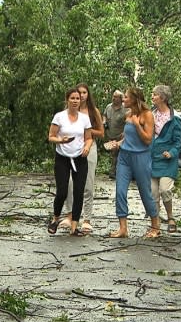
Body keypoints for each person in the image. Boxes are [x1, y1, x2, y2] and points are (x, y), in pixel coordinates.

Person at [106, 87, 161, 238]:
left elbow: (148, 139)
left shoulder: (147, 115)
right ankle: (123, 228)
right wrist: (119, 143)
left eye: (126, 98)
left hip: (141, 157)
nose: (123, 100)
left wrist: (137, 125)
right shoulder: (129, 114)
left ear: (135, 99)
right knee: (120, 191)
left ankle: (155, 226)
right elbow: (128, 137)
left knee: (145, 192)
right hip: (124, 157)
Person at [59, 83, 104, 234]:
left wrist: (87, 131)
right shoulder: (69, 112)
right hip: (71, 150)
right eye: (79, 93)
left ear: (88, 95)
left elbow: (101, 132)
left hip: (88, 148)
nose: (82, 96)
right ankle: (70, 214)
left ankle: (87, 219)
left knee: (88, 184)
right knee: (70, 183)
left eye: (85, 93)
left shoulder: (93, 111)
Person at [47, 88, 93, 236]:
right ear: (67, 100)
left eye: (77, 99)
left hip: (80, 158)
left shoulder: (84, 118)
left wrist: (87, 146)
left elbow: (89, 137)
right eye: (72, 98)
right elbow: (51, 136)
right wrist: (61, 140)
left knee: (79, 192)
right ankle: (55, 219)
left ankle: (74, 226)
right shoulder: (59, 117)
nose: (75, 101)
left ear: (81, 101)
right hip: (63, 158)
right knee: (62, 191)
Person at [150, 85, 181, 233]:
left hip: (167, 160)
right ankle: (155, 223)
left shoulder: (175, 118)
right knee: (152, 193)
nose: (152, 97)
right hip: (152, 158)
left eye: (154, 94)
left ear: (162, 98)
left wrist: (172, 152)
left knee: (164, 189)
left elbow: (178, 141)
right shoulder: (150, 115)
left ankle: (170, 217)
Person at [103, 90, 127, 179]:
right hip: (110, 135)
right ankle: (114, 171)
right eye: (113, 96)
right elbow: (104, 115)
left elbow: (128, 121)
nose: (113, 98)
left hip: (120, 136)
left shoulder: (125, 109)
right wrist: (104, 122)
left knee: (118, 154)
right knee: (113, 154)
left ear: (121, 99)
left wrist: (125, 133)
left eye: (116, 97)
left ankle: (115, 172)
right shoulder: (108, 106)